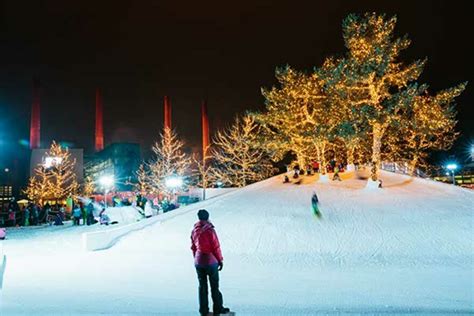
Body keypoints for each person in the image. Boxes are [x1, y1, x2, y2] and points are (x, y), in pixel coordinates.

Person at [190, 209, 230, 316]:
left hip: (199, 262)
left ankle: (203, 311)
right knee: (214, 286)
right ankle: (218, 309)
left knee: (202, 287)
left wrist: (197, 259)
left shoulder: (194, 230)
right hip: (211, 262)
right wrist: (220, 260)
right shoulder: (210, 230)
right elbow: (215, 247)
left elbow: (193, 247)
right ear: (207, 217)